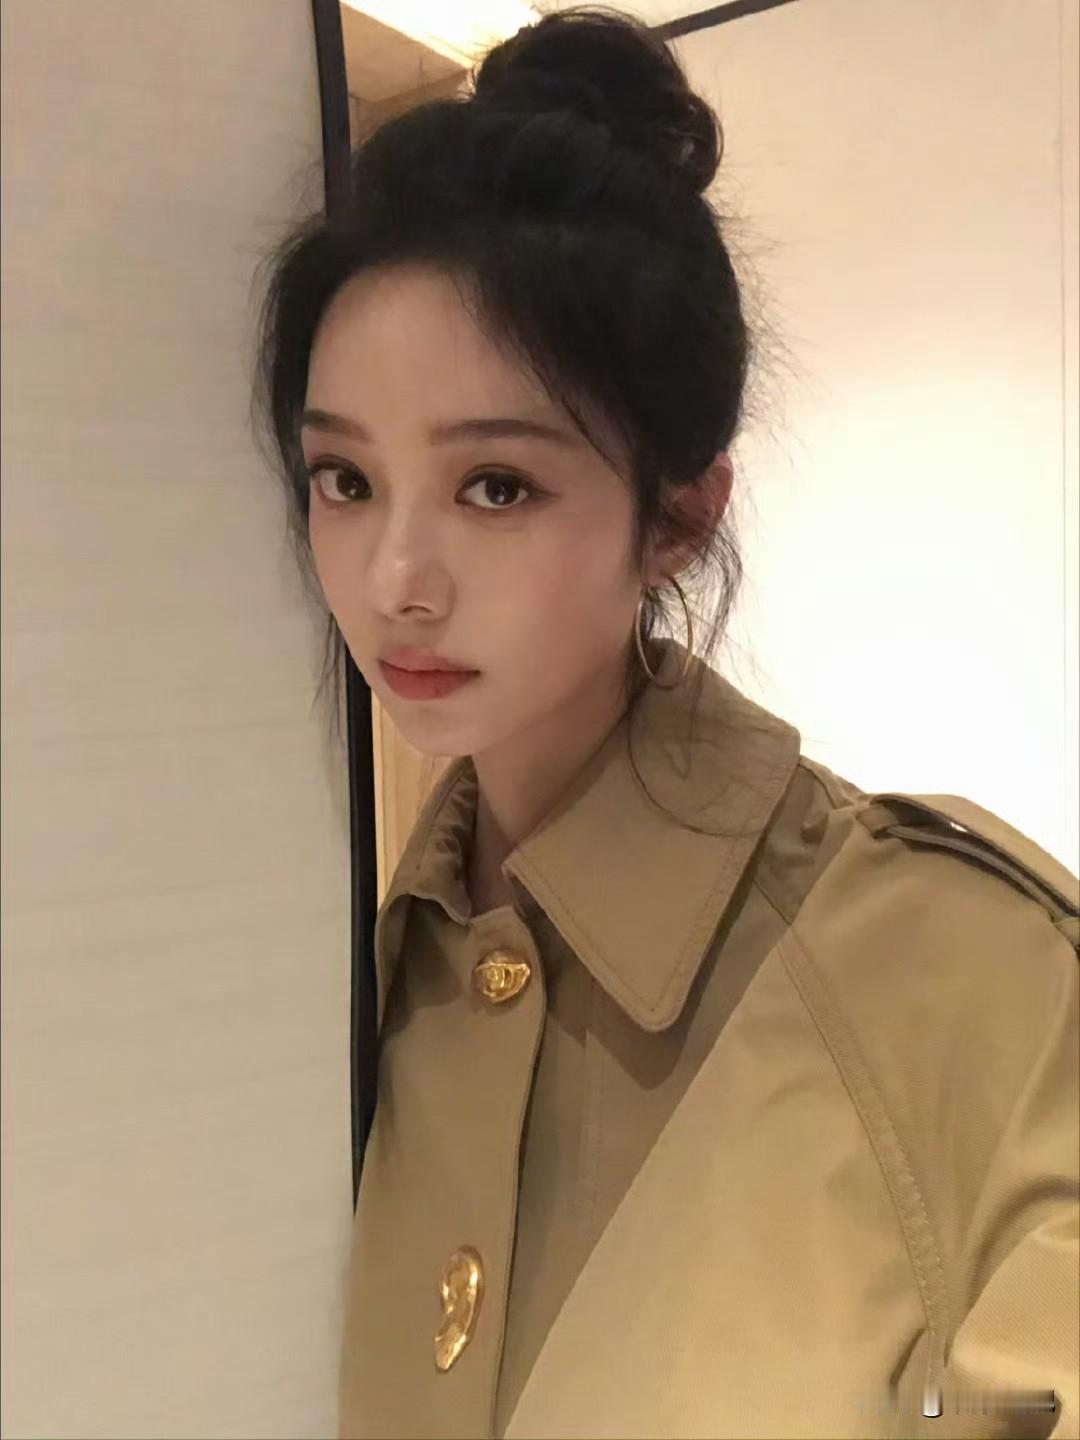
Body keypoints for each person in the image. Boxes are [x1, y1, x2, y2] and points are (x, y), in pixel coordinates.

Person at [249, 7, 1080, 1436]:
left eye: (495, 486)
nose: (395, 581)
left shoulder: (965, 980)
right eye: (346, 481)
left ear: (680, 519)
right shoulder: (358, 987)